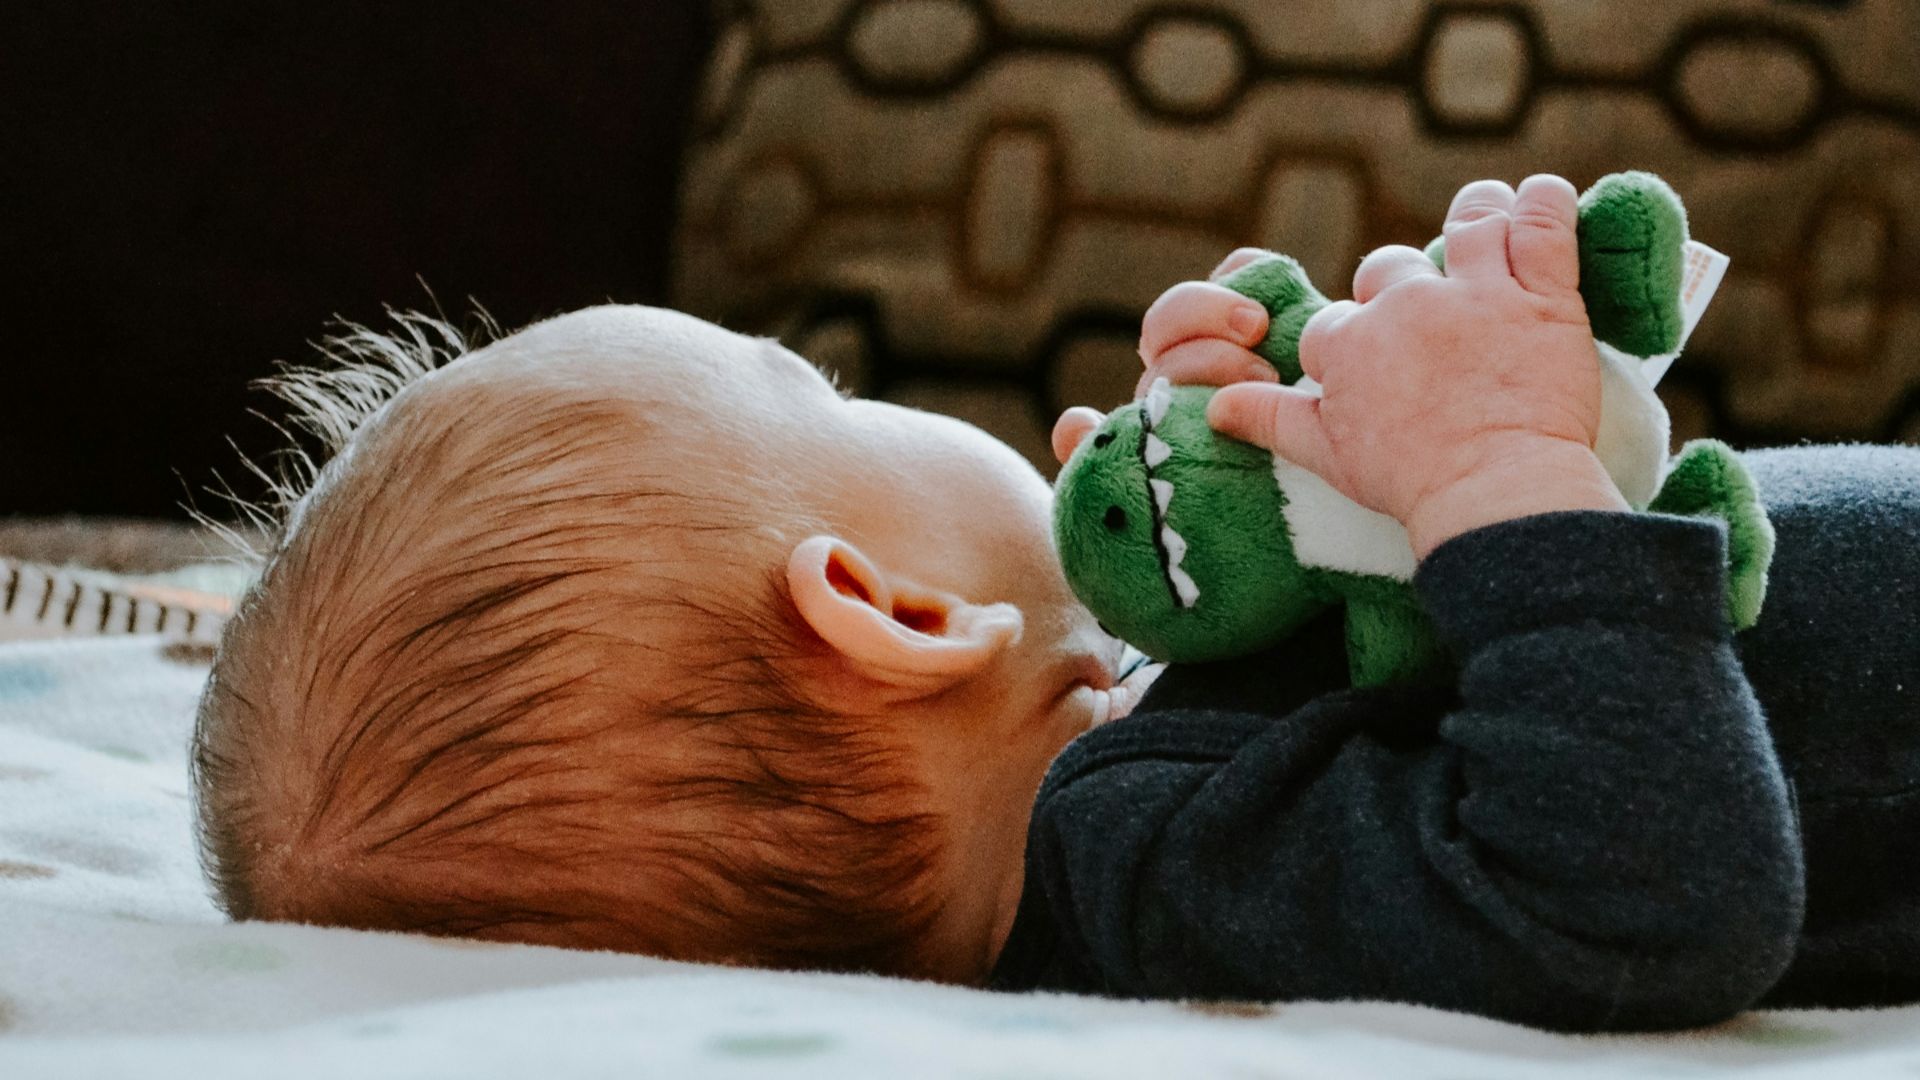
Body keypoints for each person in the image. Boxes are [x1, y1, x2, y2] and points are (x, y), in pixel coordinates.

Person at [191, 176, 1920, 1032]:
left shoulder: (1155, 773)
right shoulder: (1155, 869)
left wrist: (1319, 485)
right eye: (822, 392)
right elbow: (1654, 889)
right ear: (892, 613)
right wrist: (1491, 477)